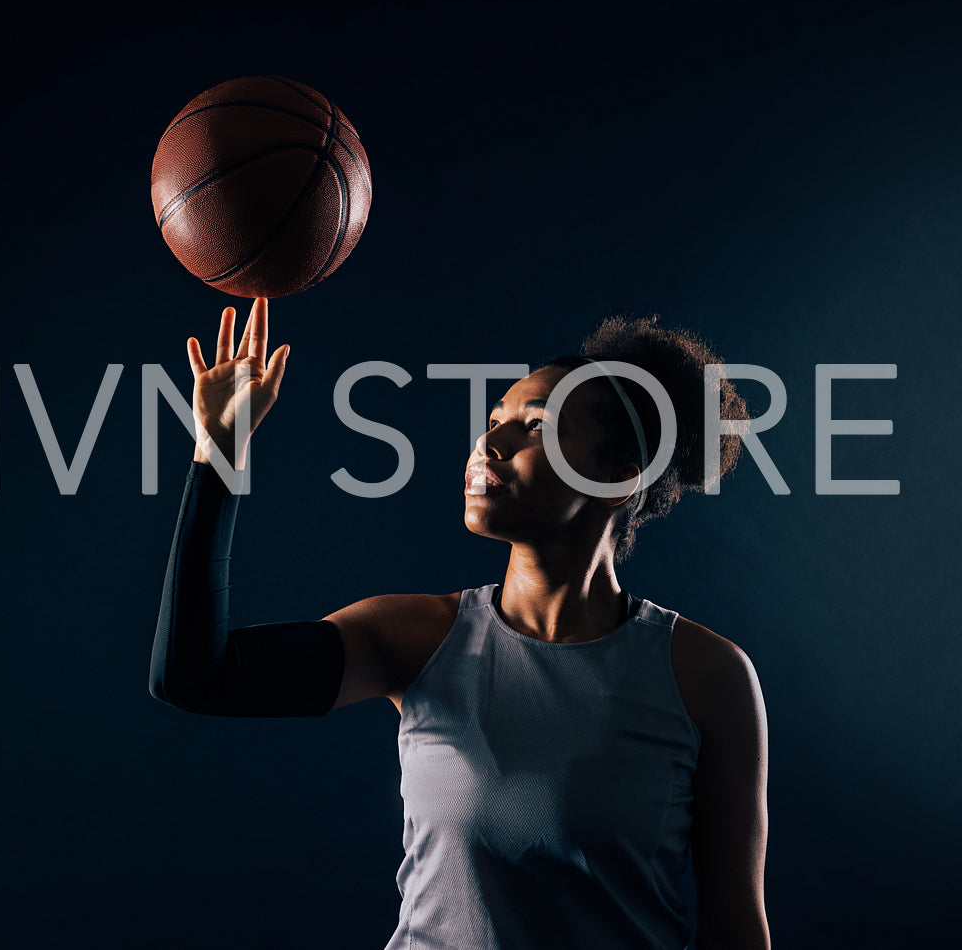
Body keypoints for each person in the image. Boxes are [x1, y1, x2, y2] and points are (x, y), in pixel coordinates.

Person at [149, 297, 770, 950]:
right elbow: (194, 678)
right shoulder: (413, 638)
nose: (489, 442)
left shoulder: (705, 675)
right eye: (495, 418)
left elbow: (736, 928)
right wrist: (216, 451)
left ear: (617, 479)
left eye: (533, 426)